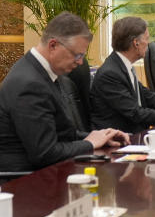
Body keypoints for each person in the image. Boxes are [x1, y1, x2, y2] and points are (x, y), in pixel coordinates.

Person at [0, 12, 128, 173]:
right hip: (25, 183)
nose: (81, 62)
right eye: (77, 55)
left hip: (48, 173)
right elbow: (45, 153)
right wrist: (89, 143)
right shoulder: (29, 83)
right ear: (53, 45)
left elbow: (60, 134)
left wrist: (101, 137)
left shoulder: (44, 73)